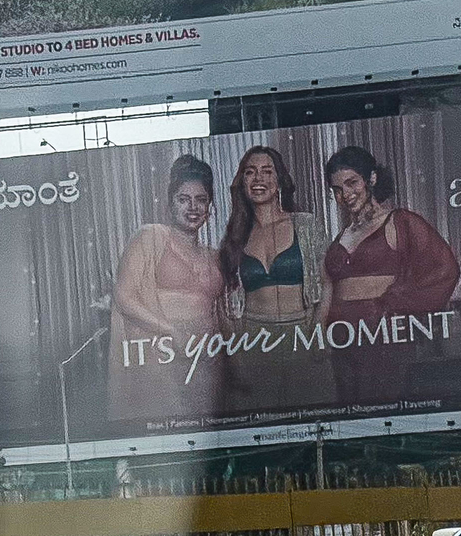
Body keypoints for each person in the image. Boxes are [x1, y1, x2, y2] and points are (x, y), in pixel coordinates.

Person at [321, 147, 461, 407]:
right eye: (337, 189)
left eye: (352, 183)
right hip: (341, 340)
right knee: (349, 413)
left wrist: (395, 302)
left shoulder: (400, 221)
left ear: (371, 178)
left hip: (382, 334)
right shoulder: (342, 235)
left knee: (383, 407)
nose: (345, 194)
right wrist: (319, 339)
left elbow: (446, 269)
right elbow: (328, 291)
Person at [216, 146, 334, 411]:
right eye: (250, 172)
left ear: (280, 180)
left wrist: (318, 330)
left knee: (314, 417)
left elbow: (327, 282)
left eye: (267, 171)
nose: (258, 178)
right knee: (261, 421)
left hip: (303, 334)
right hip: (254, 339)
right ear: (242, 182)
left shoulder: (305, 224)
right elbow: (222, 303)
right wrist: (236, 355)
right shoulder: (235, 237)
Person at [109, 155, 226, 421]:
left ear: (210, 206)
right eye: (184, 199)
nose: (193, 207)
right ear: (170, 203)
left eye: (201, 199)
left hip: (209, 357)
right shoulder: (151, 237)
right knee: (169, 427)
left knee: (210, 427)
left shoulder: (214, 255)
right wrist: (171, 331)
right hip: (163, 355)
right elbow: (124, 296)